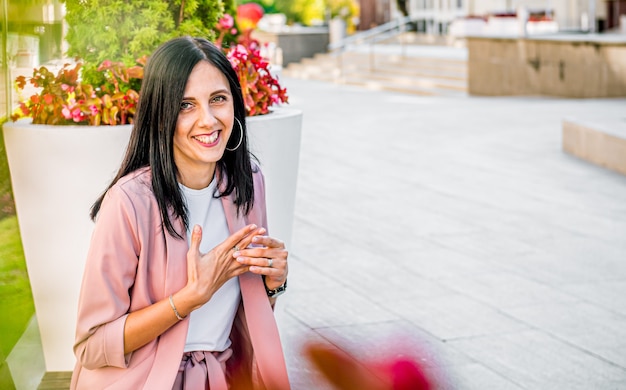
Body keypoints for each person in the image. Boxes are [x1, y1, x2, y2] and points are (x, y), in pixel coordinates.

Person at [70, 36, 290, 390]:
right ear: (161, 115)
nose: (208, 120)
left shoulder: (248, 183)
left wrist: (274, 283)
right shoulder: (129, 202)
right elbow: (92, 345)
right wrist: (190, 298)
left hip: (223, 377)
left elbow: (246, 318)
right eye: (186, 105)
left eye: (218, 99)